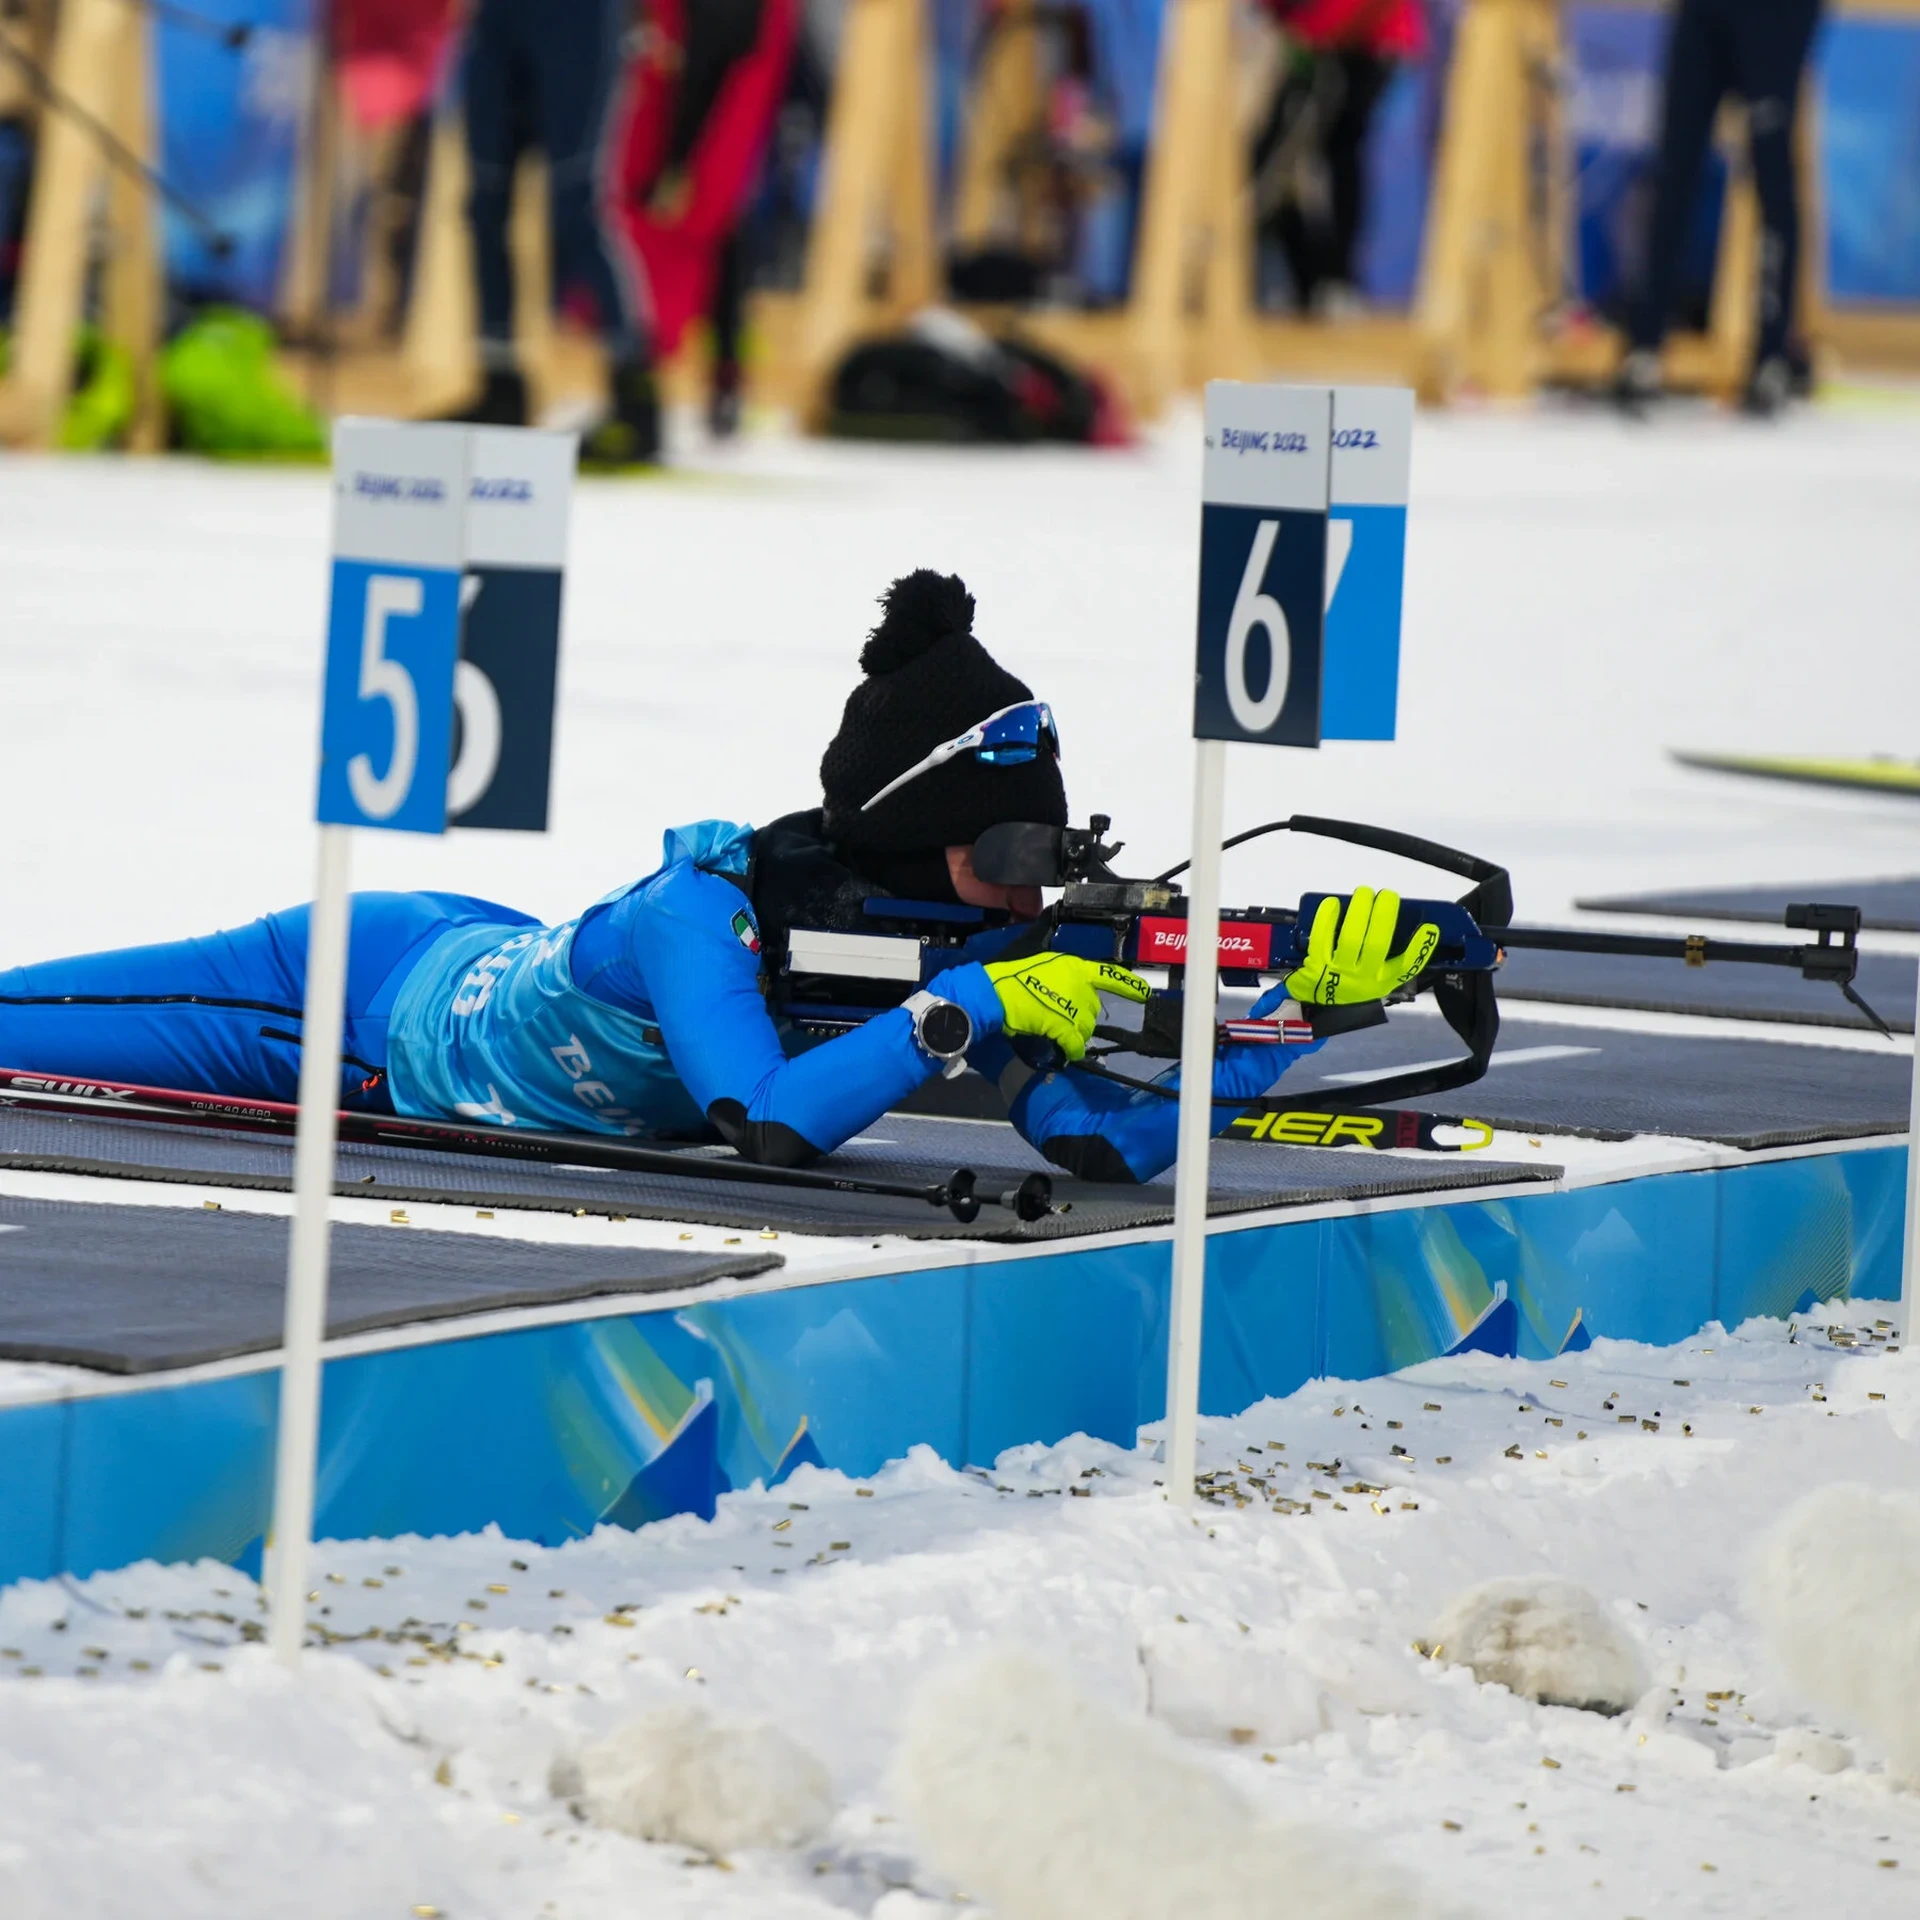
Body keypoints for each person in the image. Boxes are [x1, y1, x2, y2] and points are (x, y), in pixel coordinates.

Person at [0, 573, 1435, 1186]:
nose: (1026, 886)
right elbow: (768, 1124)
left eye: (1045, 854)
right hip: (341, 997)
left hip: (437, 1018)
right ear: (904, 832)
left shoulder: (958, 944)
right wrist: (968, 1012)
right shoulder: (709, 911)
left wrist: (1270, 1036)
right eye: (1004, 849)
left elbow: (1102, 1144)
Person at [446, 0, 661, 464]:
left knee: (575, 202)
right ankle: (501, 385)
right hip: (501, 18)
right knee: (485, 200)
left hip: (580, 17)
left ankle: (636, 400)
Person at [1614, 0, 1824, 418]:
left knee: (1772, 168)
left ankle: (1771, 357)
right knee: (1675, 166)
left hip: (1774, 15)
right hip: (1706, 10)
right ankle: (1645, 347)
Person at [1250, 0, 1426, 317]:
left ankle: (1333, 282)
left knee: (1336, 162)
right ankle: (1309, 283)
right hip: (1311, 49)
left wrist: (1329, 33)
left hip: (1357, 47)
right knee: (1277, 168)